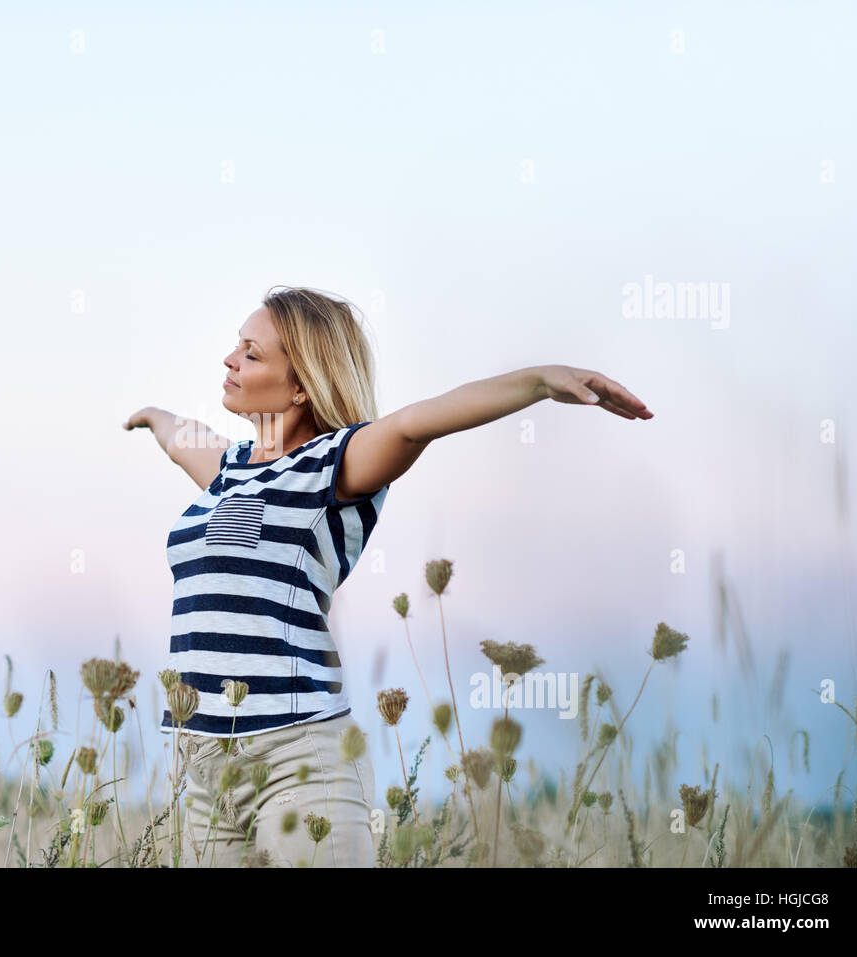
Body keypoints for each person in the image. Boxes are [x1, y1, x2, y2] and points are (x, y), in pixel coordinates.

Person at [123, 285, 652, 867]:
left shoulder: (333, 465)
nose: (229, 360)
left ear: (301, 385)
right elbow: (182, 442)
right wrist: (154, 418)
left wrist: (541, 382)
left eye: (251, 353)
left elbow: (414, 424)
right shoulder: (228, 472)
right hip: (203, 765)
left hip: (294, 758)